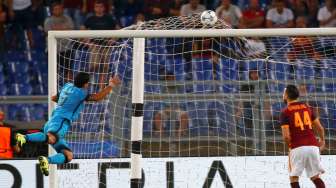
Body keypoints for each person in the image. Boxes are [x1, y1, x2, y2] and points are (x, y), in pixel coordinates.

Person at [15, 73, 121, 176]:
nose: (88, 85)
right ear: (85, 84)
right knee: (51, 138)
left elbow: (54, 98)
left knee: (68, 155)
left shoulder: (67, 86)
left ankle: (47, 160)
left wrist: (67, 104)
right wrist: (111, 85)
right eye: (88, 83)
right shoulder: (81, 92)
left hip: (54, 120)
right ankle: (24, 137)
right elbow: (97, 97)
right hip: (61, 121)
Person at [280, 85, 326, 188]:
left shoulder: (285, 112)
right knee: (315, 176)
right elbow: (320, 128)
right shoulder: (307, 107)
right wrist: (322, 140)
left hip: (297, 147)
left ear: (286, 95)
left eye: (284, 93)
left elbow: (286, 136)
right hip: (313, 146)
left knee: (294, 178)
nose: (282, 95)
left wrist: (290, 146)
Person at [44, 1, 74, 82]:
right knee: (54, 71)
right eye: (56, 9)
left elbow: (71, 30)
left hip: (66, 49)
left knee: (68, 70)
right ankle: (54, 90)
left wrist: (57, 29)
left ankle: (68, 89)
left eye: (59, 9)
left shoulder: (68, 19)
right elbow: (49, 32)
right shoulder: (48, 21)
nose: (58, 10)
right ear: (52, 10)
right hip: (53, 50)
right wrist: (64, 29)